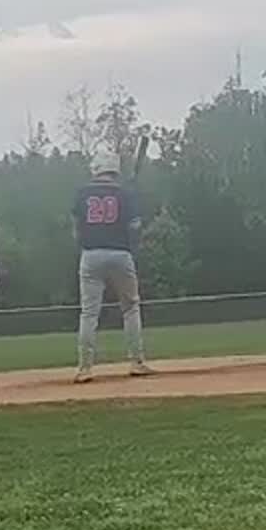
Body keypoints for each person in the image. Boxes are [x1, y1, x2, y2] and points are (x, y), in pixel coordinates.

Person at [71, 151, 152, 383]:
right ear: (115, 169)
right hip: (120, 253)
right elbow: (135, 226)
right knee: (131, 308)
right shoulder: (125, 193)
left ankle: (84, 368)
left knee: (88, 313)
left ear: (95, 168)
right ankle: (136, 361)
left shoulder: (82, 193)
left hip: (91, 254)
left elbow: (75, 226)